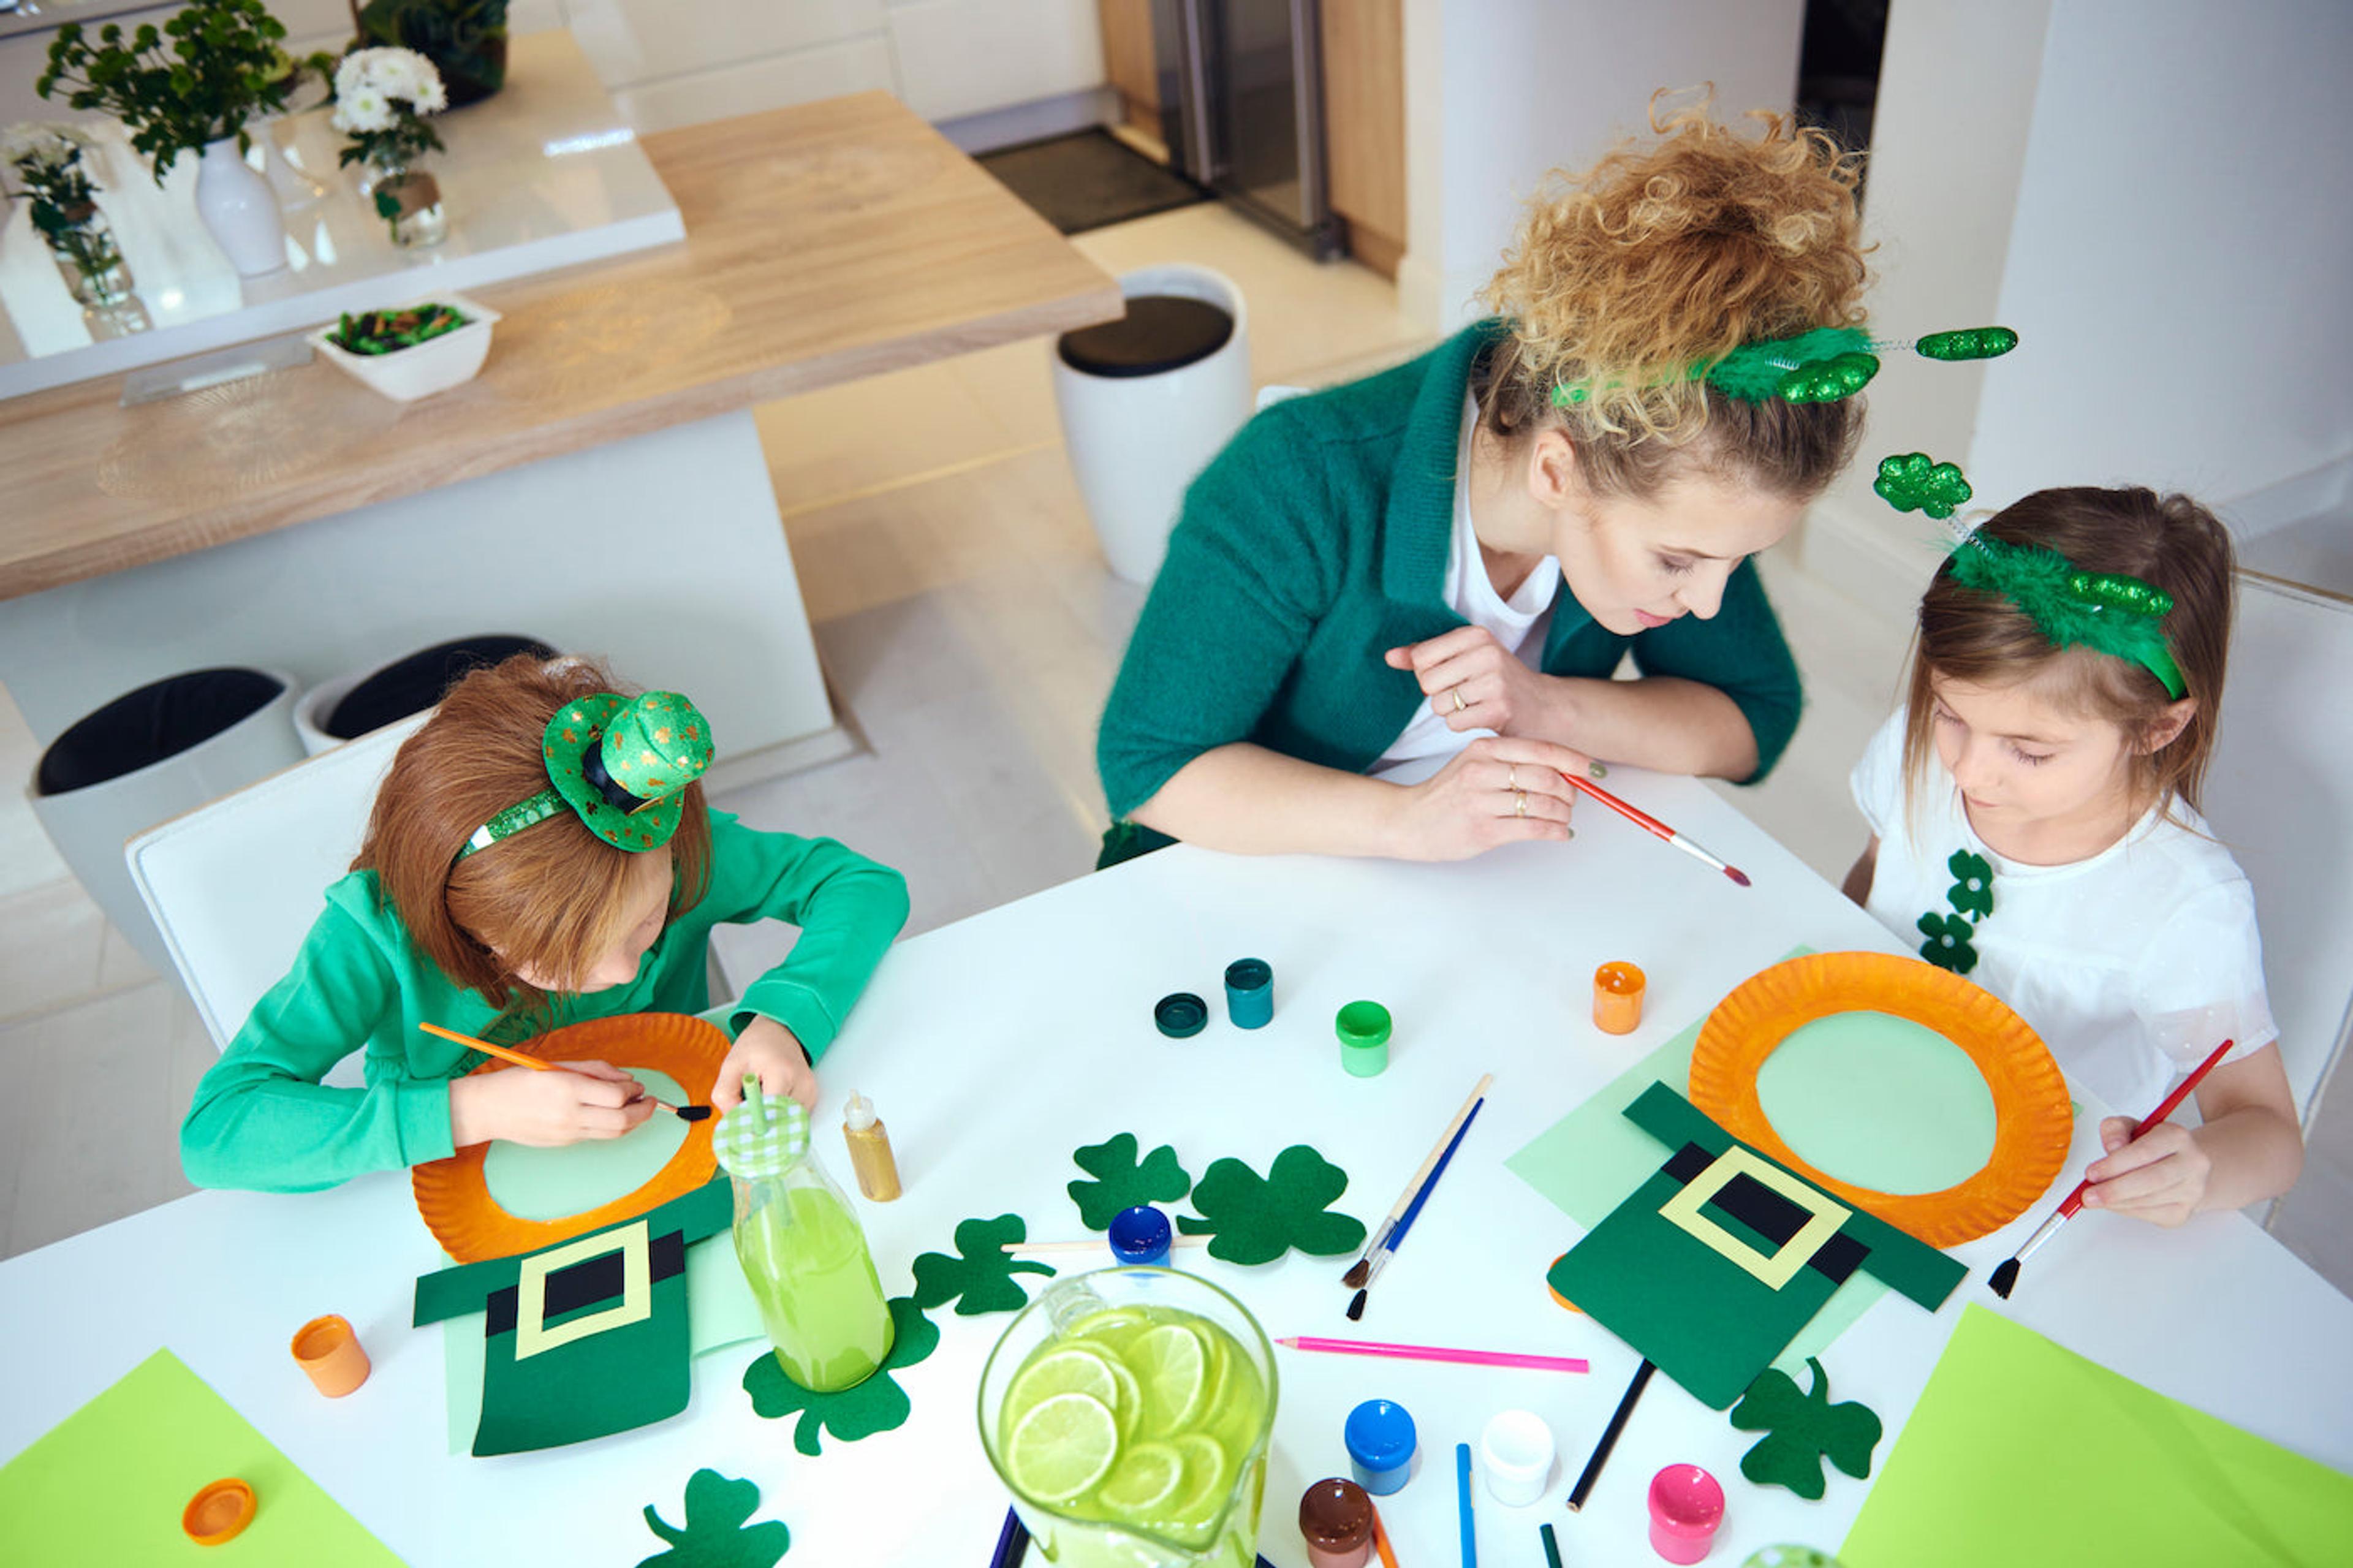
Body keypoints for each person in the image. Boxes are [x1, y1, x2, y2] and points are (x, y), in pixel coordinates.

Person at [1096, 100, 1870, 867]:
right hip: (1233, 873)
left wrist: (1548, 706)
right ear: (1556, 471)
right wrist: (1406, 822)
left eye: (1734, 562)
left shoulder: (1685, 476)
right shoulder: (1298, 477)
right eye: (1676, 561)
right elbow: (1149, 767)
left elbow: (1752, 721)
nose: (1707, 603)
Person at [180, 655, 910, 1193]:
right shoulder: (378, 934)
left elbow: (861, 886)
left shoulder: (667, 845)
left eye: (649, 923)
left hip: (677, 1154)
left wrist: (785, 1021)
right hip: (462, 1186)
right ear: (462, 921)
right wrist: (471, 1110)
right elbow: (217, 1130)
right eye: (564, 958)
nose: (624, 972)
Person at [1843, 488, 2303, 1224]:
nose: (1967, 772)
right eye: (1952, 714)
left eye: (2029, 752)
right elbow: (1870, 882)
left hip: (2033, 1182)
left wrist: (2197, 1172)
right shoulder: (1916, 746)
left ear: (2156, 729)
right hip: (1865, 1095)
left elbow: (2272, 1136)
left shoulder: (2185, 905)